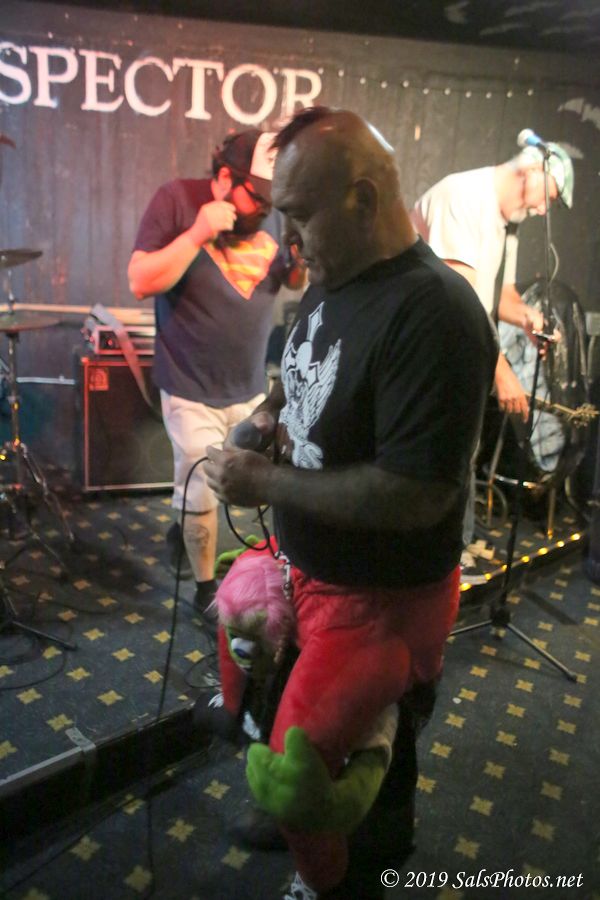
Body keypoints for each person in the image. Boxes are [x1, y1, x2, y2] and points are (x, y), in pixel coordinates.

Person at [203, 107, 498, 899]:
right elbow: (299, 377)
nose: (289, 241)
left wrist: (265, 483)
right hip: (311, 568)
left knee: (353, 789)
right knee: (268, 670)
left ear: (363, 199)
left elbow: (415, 495)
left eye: (300, 216)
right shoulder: (337, 281)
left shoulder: (436, 312)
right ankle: (302, 816)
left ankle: (350, 872)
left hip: (384, 599)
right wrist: (267, 418)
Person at [127, 129, 305, 622]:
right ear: (225, 177)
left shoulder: (272, 215)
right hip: (190, 385)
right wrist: (196, 234)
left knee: (234, 484)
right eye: (256, 197)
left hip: (248, 387)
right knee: (200, 484)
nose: (264, 209)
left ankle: (183, 523)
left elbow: (291, 279)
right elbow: (140, 280)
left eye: (272, 200)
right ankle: (204, 592)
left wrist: (299, 266)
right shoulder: (177, 200)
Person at [411, 142, 574, 578]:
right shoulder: (462, 196)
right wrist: (502, 371)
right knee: (436, 457)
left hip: (458, 355)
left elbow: (499, 295)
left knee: (461, 454)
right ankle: (436, 562)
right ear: (531, 172)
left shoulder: (507, 224)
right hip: (421, 354)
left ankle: (454, 552)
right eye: (549, 197)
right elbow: (458, 299)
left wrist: (528, 318)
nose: (543, 210)